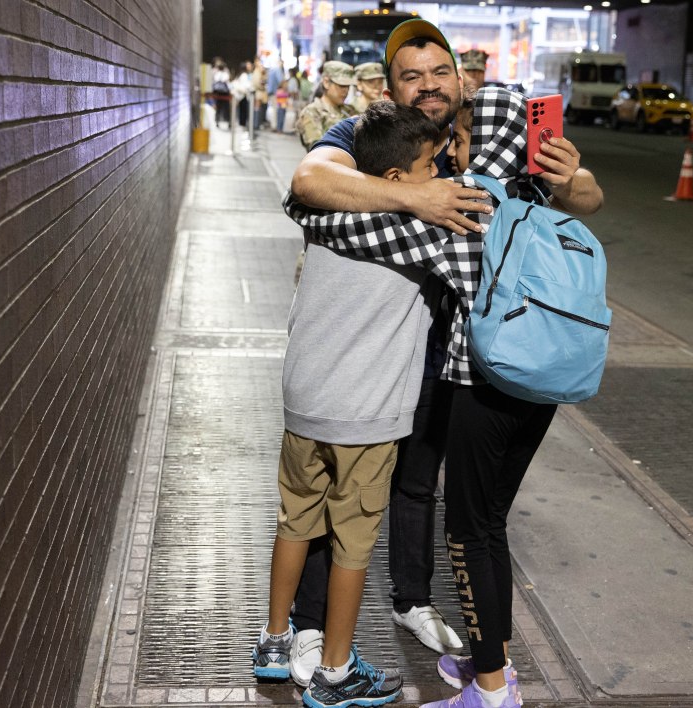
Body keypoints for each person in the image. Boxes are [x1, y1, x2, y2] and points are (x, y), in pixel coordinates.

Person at [284, 85, 603, 708]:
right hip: (540, 392)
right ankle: (495, 663)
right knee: (492, 526)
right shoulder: (537, 199)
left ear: (485, 140)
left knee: (465, 535)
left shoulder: (466, 206)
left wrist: (306, 209)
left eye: (459, 140)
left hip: (481, 388)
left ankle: (489, 694)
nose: (452, 155)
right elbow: (587, 196)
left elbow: (346, 227)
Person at [286, 19, 482, 688]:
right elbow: (310, 183)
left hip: (443, 354)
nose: (428, 86)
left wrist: (573, 183)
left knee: (418, 482)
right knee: (340, 495)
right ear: (392, 87)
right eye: (411, 76)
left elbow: (579, 196)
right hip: (372, 358)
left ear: (459, 76)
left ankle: (412, 601)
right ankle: (311, 632)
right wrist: (415, 195)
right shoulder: (370, 133)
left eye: (438, 72)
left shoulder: (483, 129)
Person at [251, 101, 445, 708]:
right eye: (430, 167)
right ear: (393, 181)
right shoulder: (418, 229)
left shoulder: (325, 212)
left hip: (303, 403)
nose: (438, 178)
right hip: (365, 415)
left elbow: (299, 194)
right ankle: (335, 673)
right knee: (352, 545)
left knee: (295, 522)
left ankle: (276, 642)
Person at [295, 61, 359, 151]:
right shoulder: (312, 112)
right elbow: (318, 149)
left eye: (348, 86)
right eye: (341, 85)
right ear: (326, 82)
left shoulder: (350, 110)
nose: (346, 90)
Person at [210, 57, 232, 128]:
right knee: (223, 108)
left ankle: (222, 121)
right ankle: (223, 121)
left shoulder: (221, 72)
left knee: (222, 108)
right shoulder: (220, 72)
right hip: (223, 93)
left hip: (220, 93)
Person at [232, 60, 253, 129]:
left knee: (241, 112)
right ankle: (242, 126)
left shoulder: (240, 74)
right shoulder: (244, 75)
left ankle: (241, 125)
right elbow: (246, 86)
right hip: (243, 95)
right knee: (243, 112)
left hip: (239, 96)